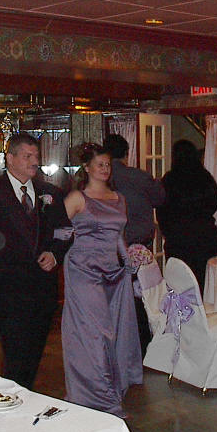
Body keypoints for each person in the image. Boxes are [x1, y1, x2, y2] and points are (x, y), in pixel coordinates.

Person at [0, 132, 69, 390]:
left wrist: (55, 254)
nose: (35, 162)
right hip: (6, 287)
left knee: (34, 353)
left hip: (41, 289)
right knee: (15, 353)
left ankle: (25, 394)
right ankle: (14, 397)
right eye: (27, 156)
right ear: (10, 158)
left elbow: (65, 231)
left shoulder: (49, 192)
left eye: (36, 156)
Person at [62, 143, 142, 417]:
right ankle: (103, 399)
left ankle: (99, 390)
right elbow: (57, 230)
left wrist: (129, 261)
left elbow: (118, 236)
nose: (106, 169)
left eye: (108, 164)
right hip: (83, 271)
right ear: (87, 168)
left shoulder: (118, 198)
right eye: (100, 165)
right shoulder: (78, 198)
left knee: (115, 331)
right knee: (97, 332)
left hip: (113, 271)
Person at [103, 133, 165, 356]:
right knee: (139, 299)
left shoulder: (100, 179)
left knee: (112, 299)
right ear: (126, 153)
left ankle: (115, 345)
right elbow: (160, 199)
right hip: (137, 245)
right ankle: (140, 346)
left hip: (107, 249)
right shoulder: (139, 176)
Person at [157, 140, 217, 294]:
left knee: (179, 286)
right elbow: (214, 205)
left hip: (179, 238)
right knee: (204, 285)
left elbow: (162, 210)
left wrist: (168, 232)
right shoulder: (206, 178)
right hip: (206, 236)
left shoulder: (169, 179)